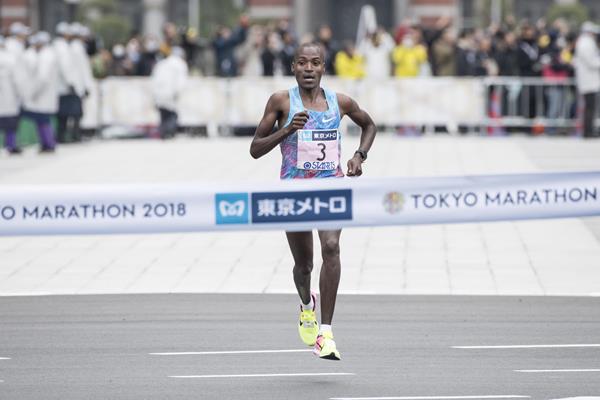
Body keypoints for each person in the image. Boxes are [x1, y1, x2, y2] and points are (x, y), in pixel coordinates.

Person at [249, 43, 377, 360]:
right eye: (303, 63)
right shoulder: (281, 101)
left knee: (331, 247)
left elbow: (369, 125)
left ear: (323, 68)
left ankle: (326, 333)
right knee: (304, 265)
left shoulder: (340, 102)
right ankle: (307, 305)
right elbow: (255, 148)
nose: (309, 68)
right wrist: (287, 129)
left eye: (315, 63)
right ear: (293, 67)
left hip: (331, 186)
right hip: (293, 190)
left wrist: (359, 156)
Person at [21, 32, 59, 152]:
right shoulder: (45, 54)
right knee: (42, 120)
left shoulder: (46, 56)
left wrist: (34, 92)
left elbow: (43, 78)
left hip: (42, 94)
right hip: (43, 95)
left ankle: (49, 143)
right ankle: (47, 143)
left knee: (43, 120)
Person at [151, 47, 188, 139]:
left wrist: (154, 94)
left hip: (159, 93)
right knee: (172, 115)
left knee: (163, 114)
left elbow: (154, 79)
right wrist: (178, 92)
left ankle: (163, 134)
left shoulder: (161, 64)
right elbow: (181, 81)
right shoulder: (180, 64)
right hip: (171, 93)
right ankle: (169, 134)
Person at [574, 22, 600, 138]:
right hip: (588, 81)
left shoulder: (585, 42)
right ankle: (588, 131)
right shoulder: (586, 43)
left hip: (589, 80)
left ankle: (588, 130)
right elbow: (591, 61)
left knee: (590, 107)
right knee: (589, 108)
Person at [54, 22, 78, 143]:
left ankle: (62, 136)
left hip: (61, 86)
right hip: (64, 86)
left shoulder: (59, 45)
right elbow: (65, 67)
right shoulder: (62, 47)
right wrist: (71, 82)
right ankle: (61, 137)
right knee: (64, 114)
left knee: (63, 114)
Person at [0, 36, 22, 154]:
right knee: (10, 125)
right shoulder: (10, 59)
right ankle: (11, 145)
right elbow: (17, 79)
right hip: (9, 96)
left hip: (6, 96)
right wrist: (21, 93)